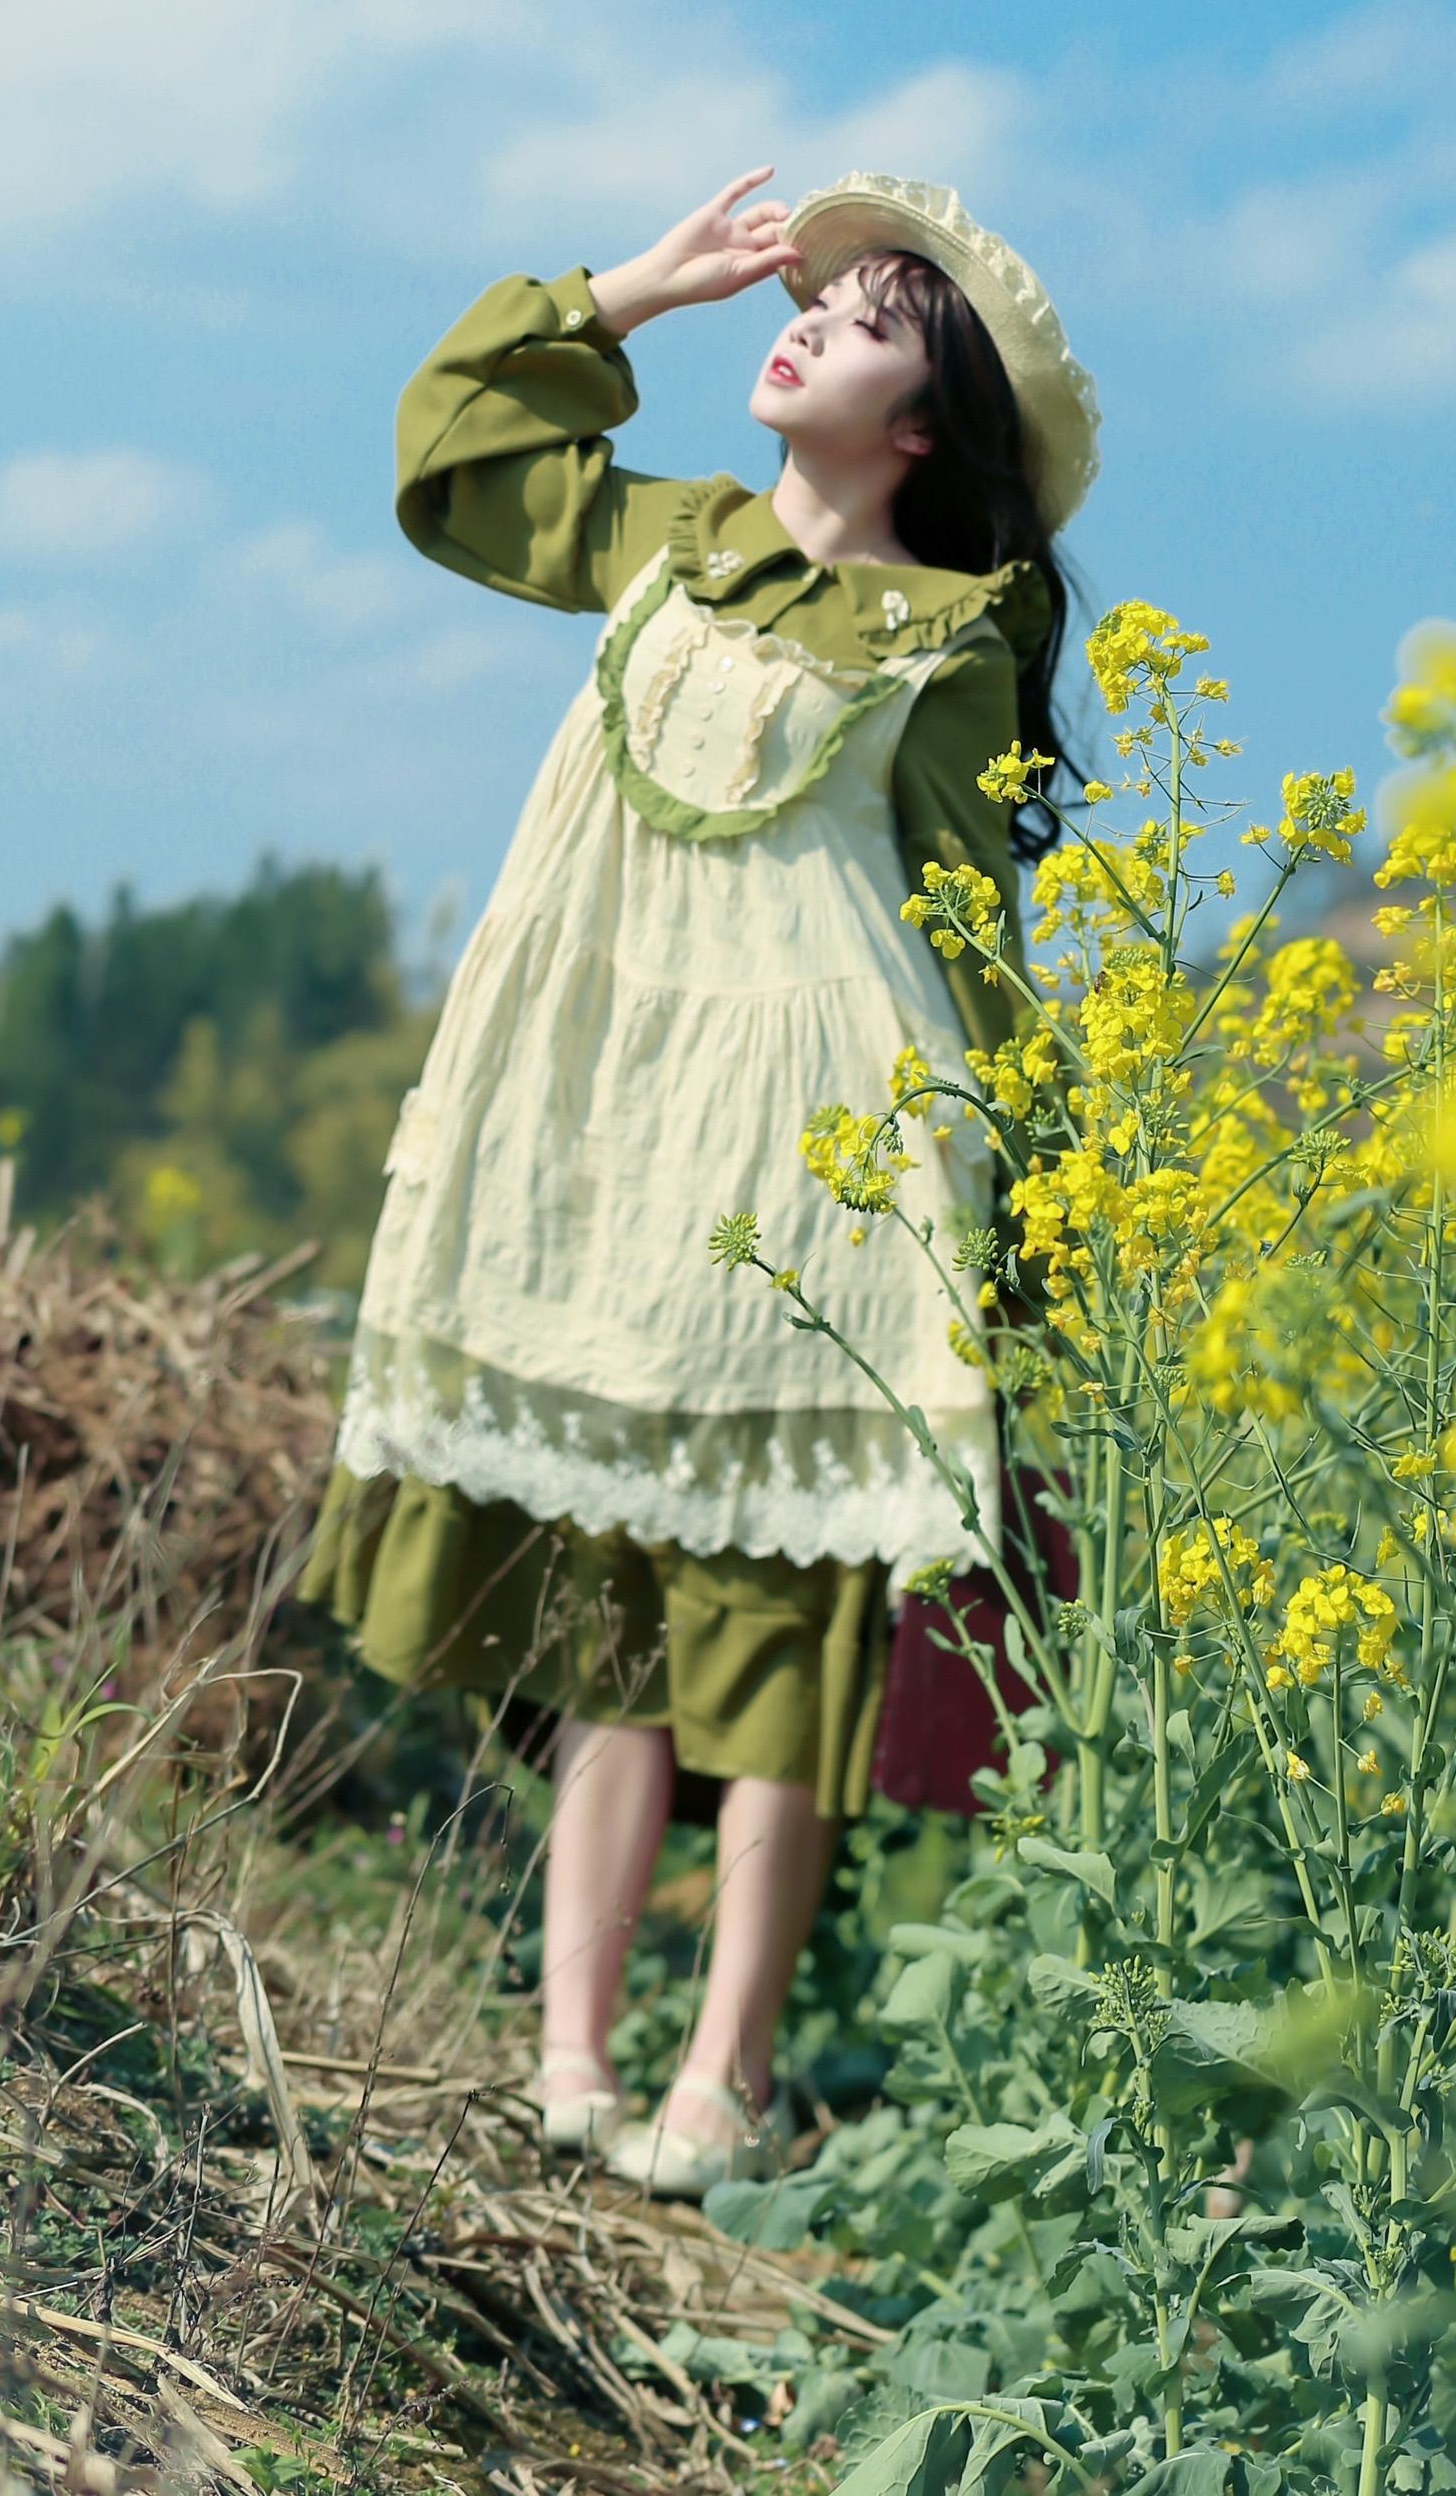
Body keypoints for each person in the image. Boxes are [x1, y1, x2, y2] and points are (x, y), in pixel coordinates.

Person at [300, 167, 1097, 2193]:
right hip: (614, 1134)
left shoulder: (957, 631)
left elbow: (971, 918)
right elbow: (463, 457)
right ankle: (567, 2062)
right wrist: (631, 293)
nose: (808, 318)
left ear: (926, 427)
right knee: (609, 1619)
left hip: (816, 1148)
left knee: (778, 1628)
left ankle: (718, 2082)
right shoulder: (673, 540)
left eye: (867, 319)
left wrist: (1034, 1213)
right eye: (812, 301)